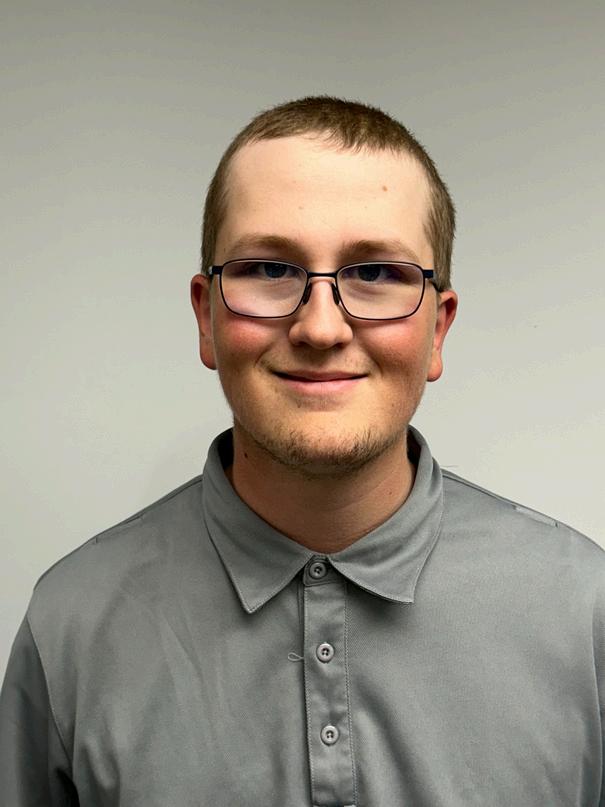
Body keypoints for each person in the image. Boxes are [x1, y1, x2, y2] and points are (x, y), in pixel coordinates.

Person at [1, 95, 604, 807]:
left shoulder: (585, 613)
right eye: (269, 268)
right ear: (206, 317)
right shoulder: (70, 627)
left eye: (375, 273)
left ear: (438, 330)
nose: (320, 328)